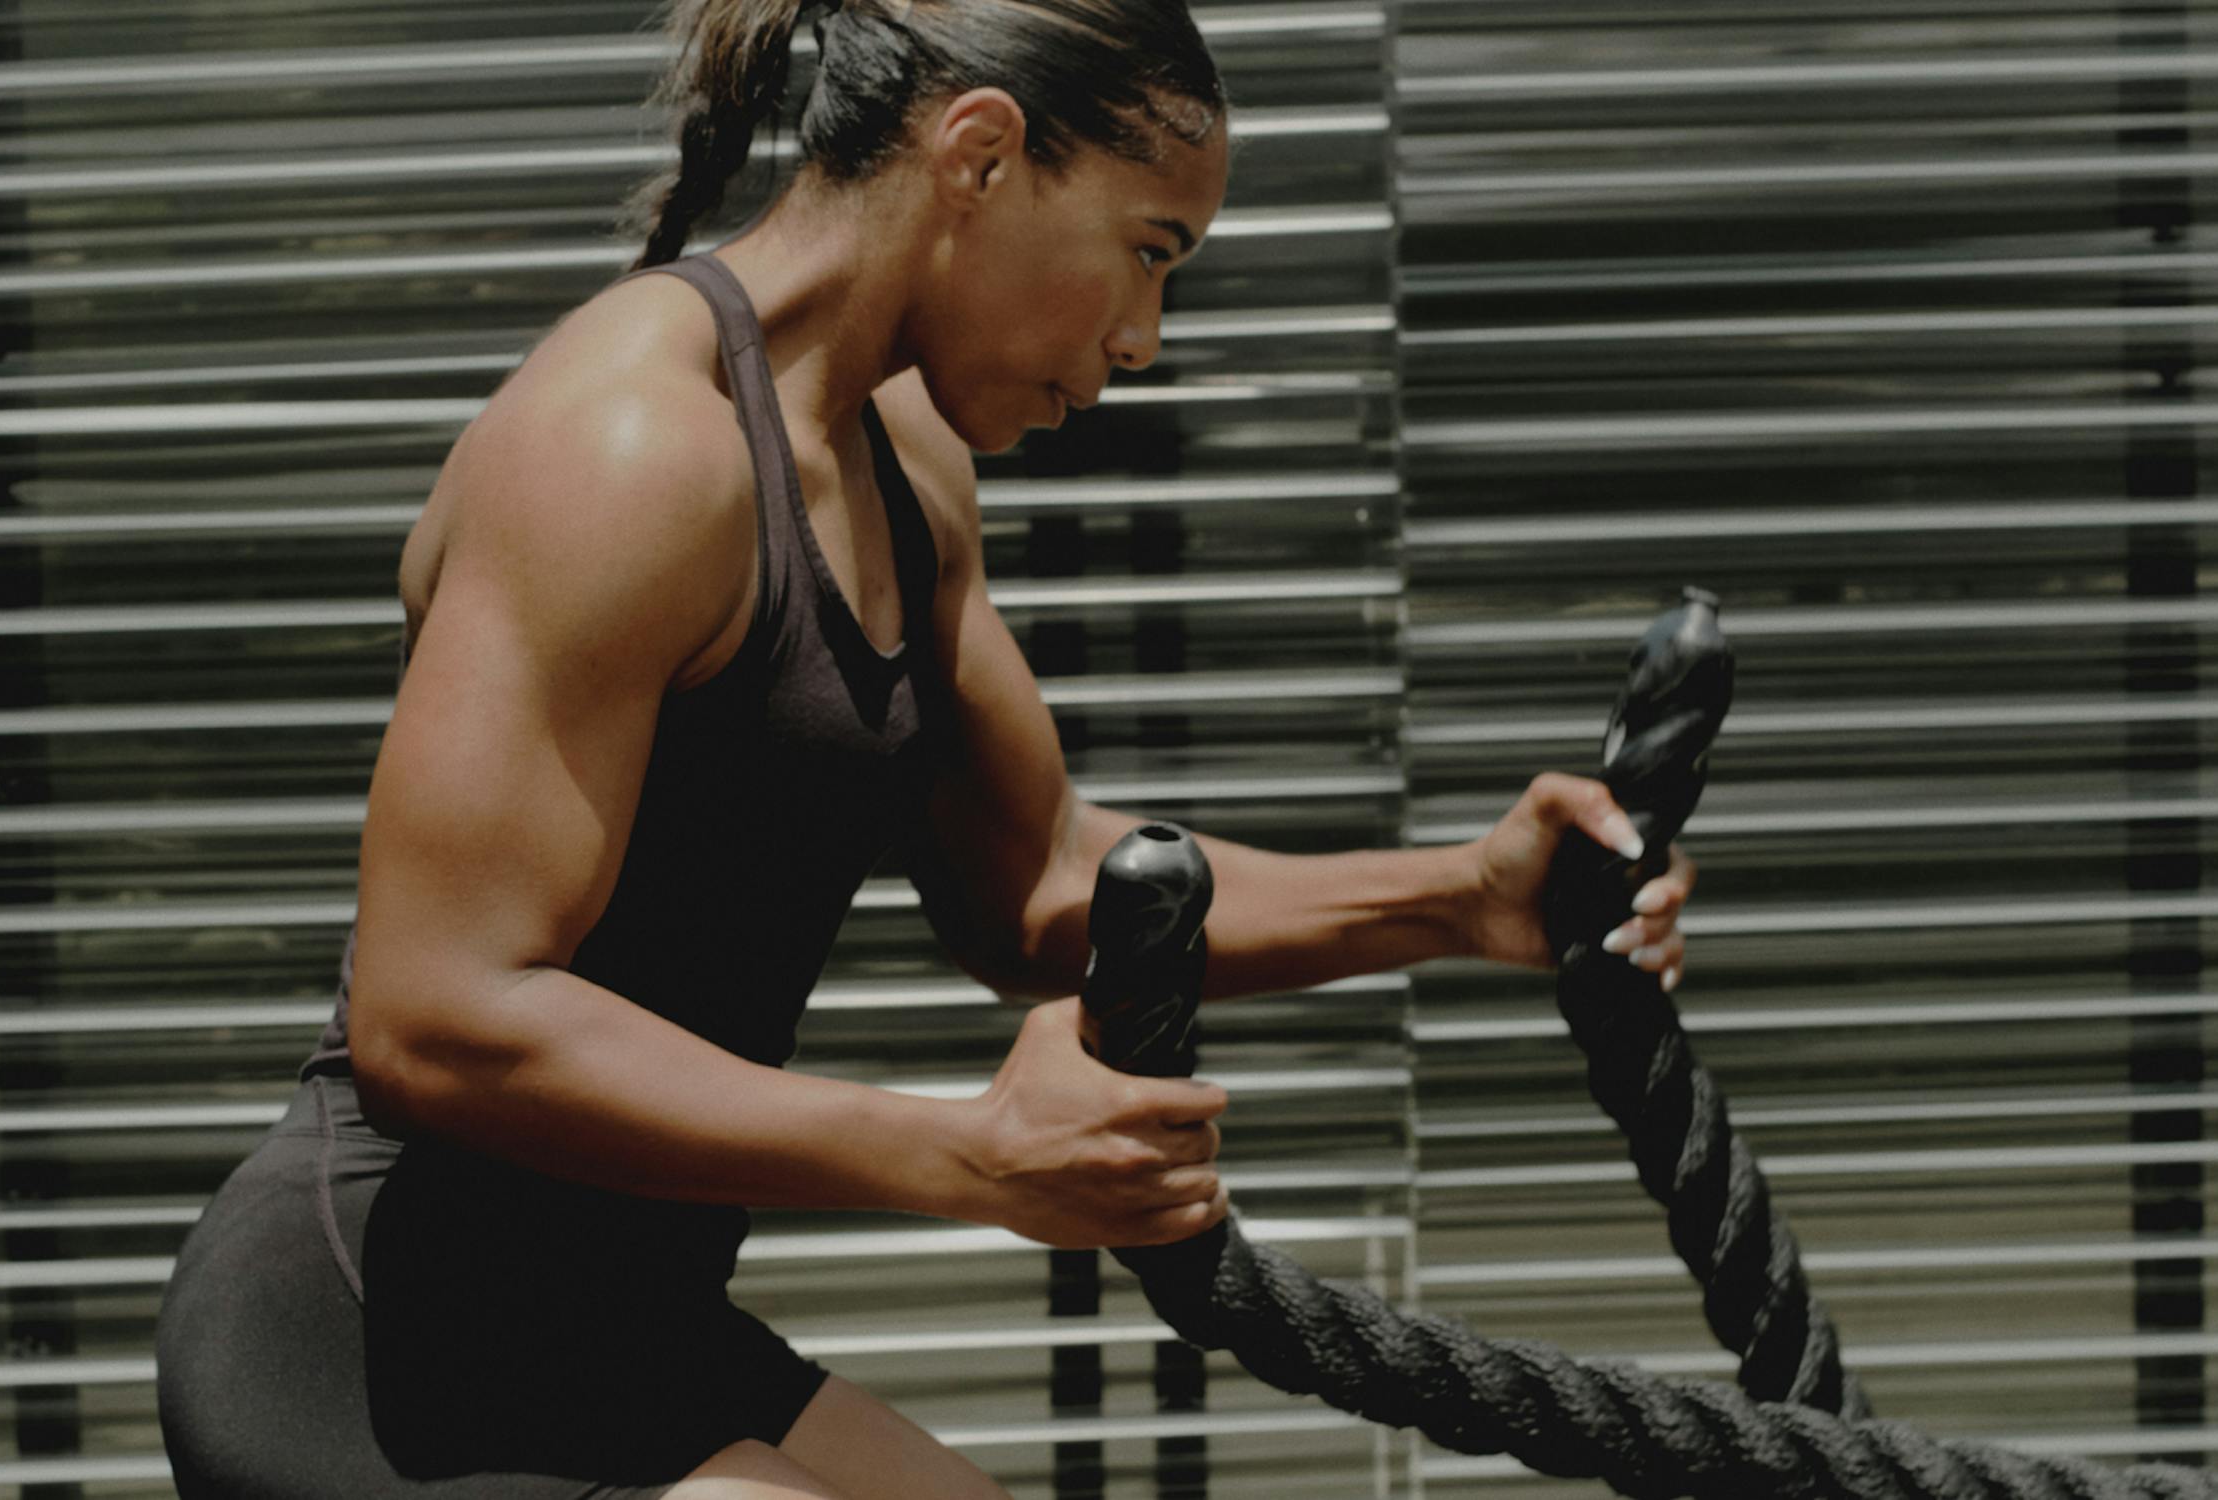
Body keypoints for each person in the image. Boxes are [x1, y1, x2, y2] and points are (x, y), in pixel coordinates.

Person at [151, 0, 1697, 1493]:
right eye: (1146, 255)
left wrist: (1463, 901)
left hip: (618, 1321)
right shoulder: (631, 449)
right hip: (380, 1343)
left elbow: (1034, 883)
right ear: (979, 153)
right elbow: (439, 1014)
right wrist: (962, 1152)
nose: (1145, 340)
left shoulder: (908, 463)